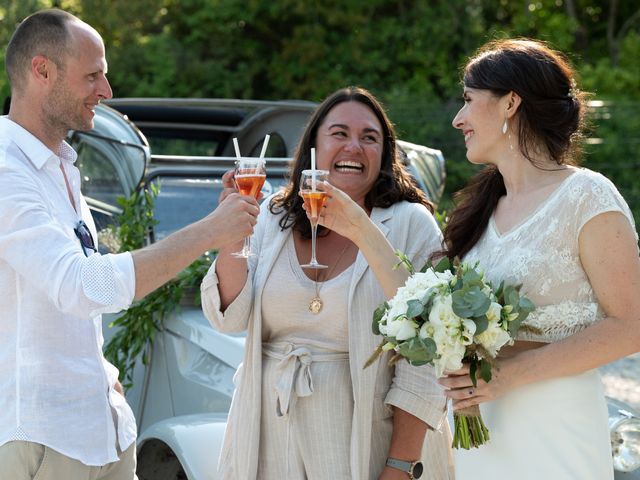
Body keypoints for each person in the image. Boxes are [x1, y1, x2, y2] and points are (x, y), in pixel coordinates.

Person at [0, 8, 259, 480]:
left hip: (103, 432)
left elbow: (60, 306)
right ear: (41, 70)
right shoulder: (5, 169)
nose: (107, 90)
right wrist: (210, 231)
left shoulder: (60, 166)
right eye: (93, 74)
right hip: (43, 441)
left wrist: (102, 375)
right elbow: (80, 285)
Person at [201, 86, 454, 479]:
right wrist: (233, 232)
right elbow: (229, 319)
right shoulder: (274, 216)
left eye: (369, 138)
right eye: (339, 134)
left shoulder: (409, 224)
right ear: (313, 148)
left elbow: (427, 352)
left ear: (384, 154)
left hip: (366, 439)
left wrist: (401, 465)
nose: (354, 146)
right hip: (268, 435)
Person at [433, 39, 640, 479]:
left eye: (469, 101)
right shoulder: (480, 211)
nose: (458, 118)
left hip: (556, 426)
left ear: (510, 103)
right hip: (484, 430)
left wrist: (508, 376)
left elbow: (632, 325)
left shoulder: (587, 196)